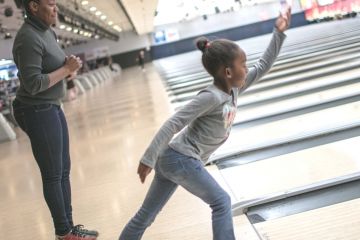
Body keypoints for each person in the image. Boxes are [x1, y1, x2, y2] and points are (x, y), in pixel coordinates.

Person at [119, 8, 292, 240]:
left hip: (174, 159)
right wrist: (148, 158)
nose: (247, 68)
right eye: (243, 64)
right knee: (221, 201)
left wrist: (278, 32)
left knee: (145, 216)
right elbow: (174, 122)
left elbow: (263, 66)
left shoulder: (235, 88)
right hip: (181, 158)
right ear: (228, 71)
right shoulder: (210, 97)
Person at [12, 0, 99, 239]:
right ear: (34, 7)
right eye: (50, 3)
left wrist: (68, 69)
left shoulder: (46, 31)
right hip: (36, 109)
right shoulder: (28, 37)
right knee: (52, 173)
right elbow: (32, 84)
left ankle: (69, 228)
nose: (56, 8)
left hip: (52, 106)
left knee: (63, 171)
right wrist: (66, 69)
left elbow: (53, 69)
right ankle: (63, 232)